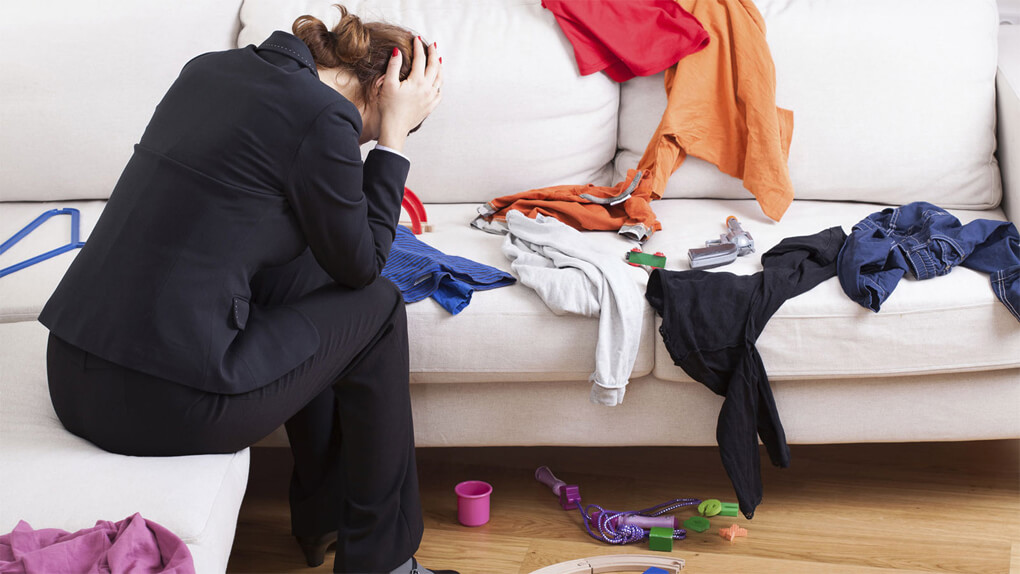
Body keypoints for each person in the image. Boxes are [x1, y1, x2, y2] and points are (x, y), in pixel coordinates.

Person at [37, 4, 456, 573]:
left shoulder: (209, 69)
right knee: (377, 307)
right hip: (161, 406)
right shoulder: (323, 116)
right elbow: (365, 266)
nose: (361, 146)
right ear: (382, 88)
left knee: (315, 274)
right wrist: (394, 141)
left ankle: (326, 517)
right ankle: (382, 564)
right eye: (372, 132)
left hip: (72, 377)